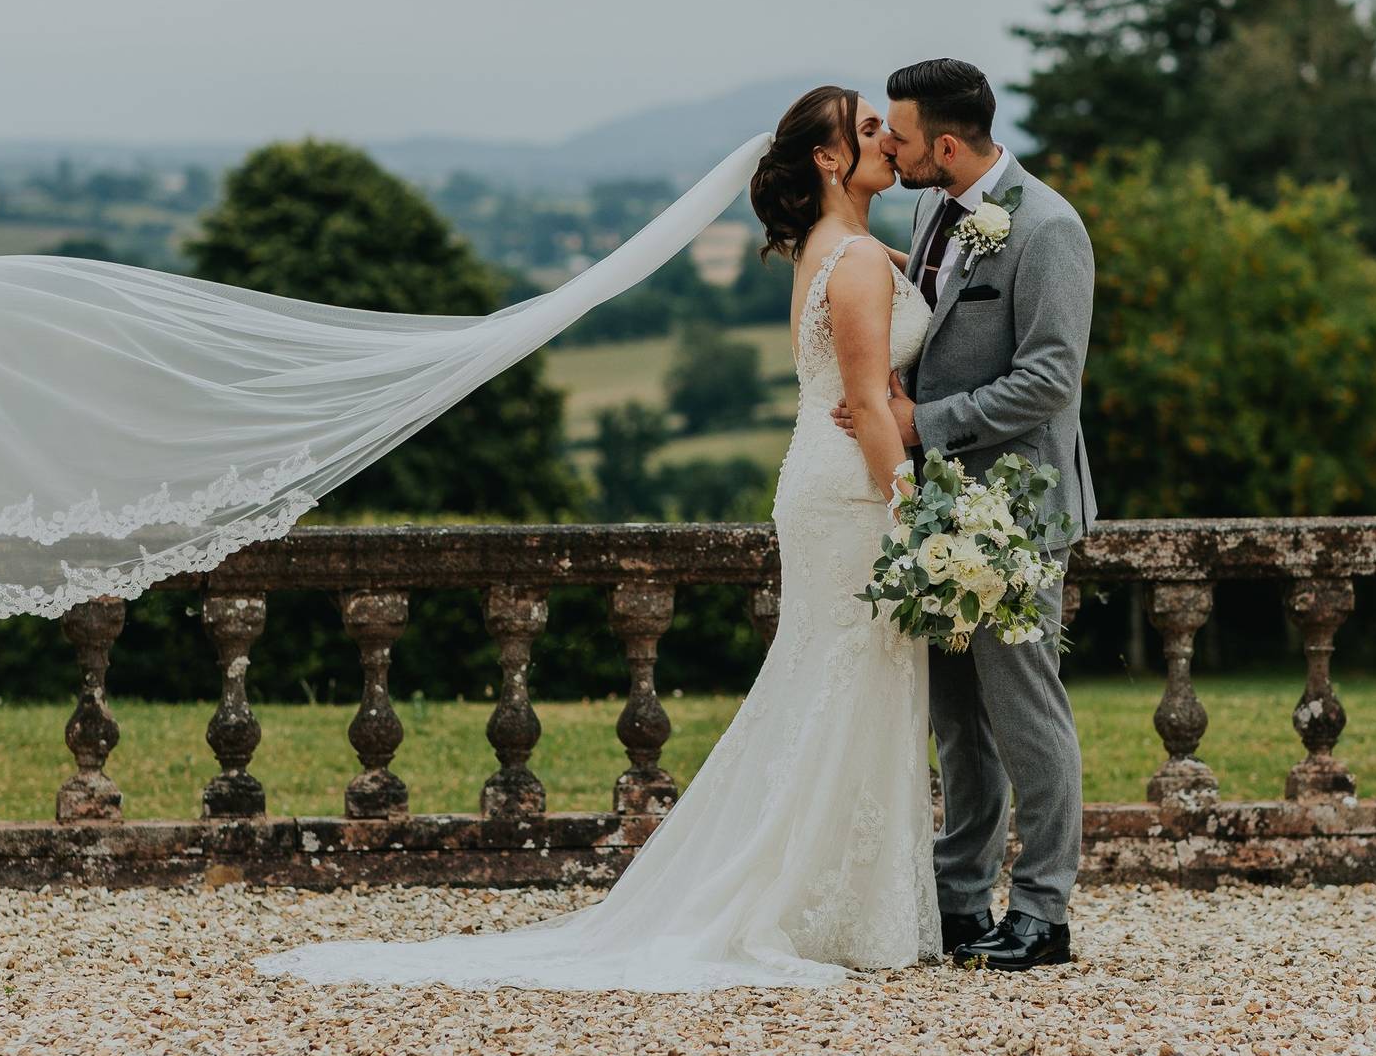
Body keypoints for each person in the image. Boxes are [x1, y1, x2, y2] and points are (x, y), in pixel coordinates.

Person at [253, 83, 944, 991]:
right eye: (866, 131)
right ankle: (810, 901)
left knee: (835, 676)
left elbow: (883, 367)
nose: (887, 140)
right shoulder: (852, 260)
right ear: (827, 160)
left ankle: (836, 896)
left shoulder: (839, 248)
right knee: (846, 674)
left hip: (826, 481)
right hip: (852, 491)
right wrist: (915, 511)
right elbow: (861, 401)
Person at [832, 58, 1095, 972]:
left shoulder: (1049, 228)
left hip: (1014, 508)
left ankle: (1043, 913)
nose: (888, 150)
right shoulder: (930, 207)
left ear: (945, 143)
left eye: (898, 138)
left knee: (1026, 714)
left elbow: (1051, 378)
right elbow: (938, 326)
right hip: (939, 509)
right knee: (955, 720)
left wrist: (921, 423)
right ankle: (958, 902)